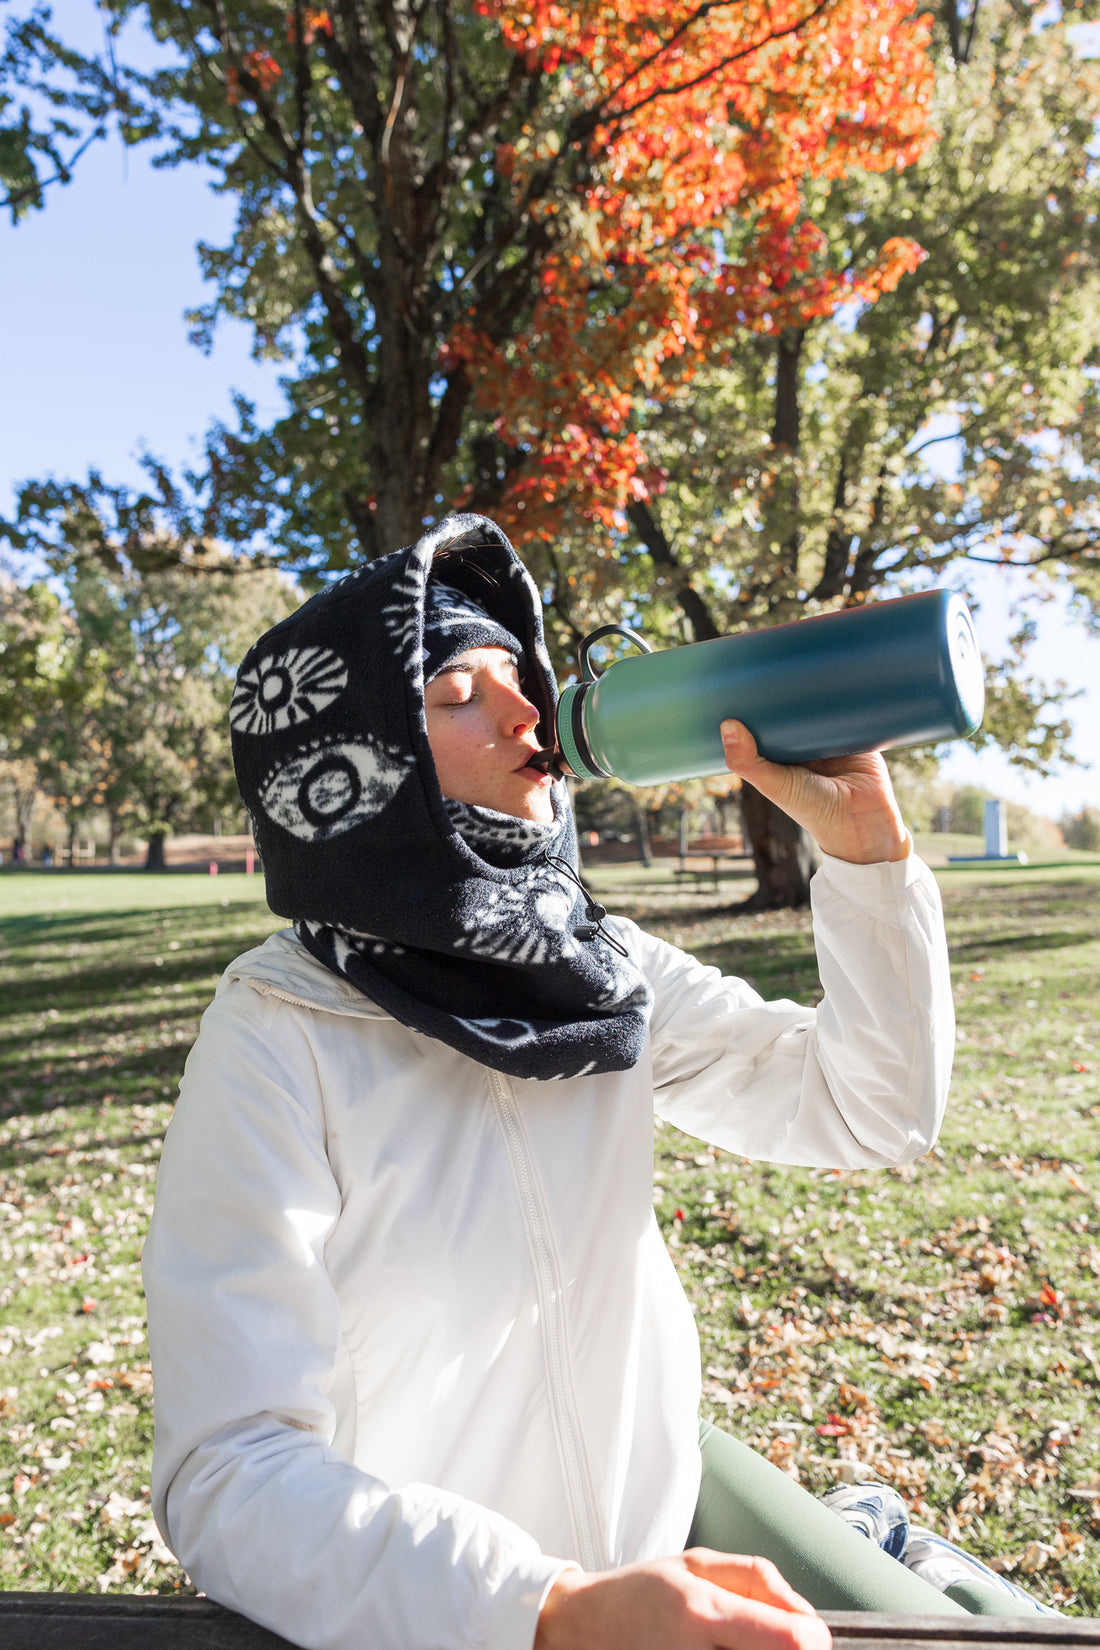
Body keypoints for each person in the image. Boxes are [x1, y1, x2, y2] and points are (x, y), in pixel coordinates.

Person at [141, 514, 987, 1650]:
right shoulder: (280, 1031)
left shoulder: (599, 966)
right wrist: (544, 1608)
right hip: (436, 1622)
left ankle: (877, 1537)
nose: (527, 711)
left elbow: (867, 1109)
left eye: (519, 675)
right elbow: (228, 1473)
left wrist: (867, 859)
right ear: (348, 763)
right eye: (453, 691)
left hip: (651, 1571)